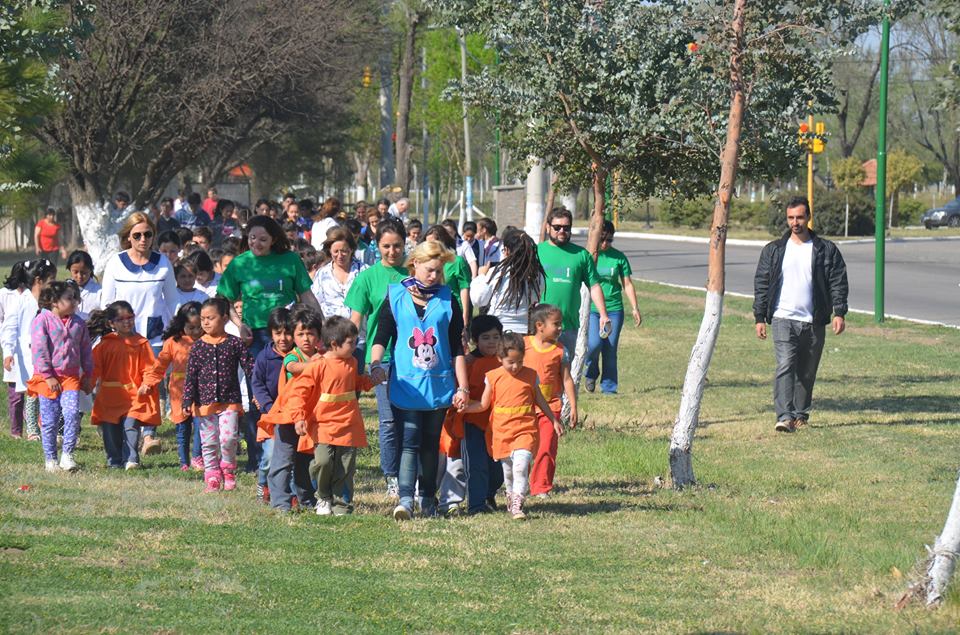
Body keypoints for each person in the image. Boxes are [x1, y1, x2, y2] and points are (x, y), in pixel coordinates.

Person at [368, 240, 470, 521]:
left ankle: (427, 498)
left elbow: (457, 347)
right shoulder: (395, 296)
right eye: (430, 270)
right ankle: (405, 500)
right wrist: (376, 364)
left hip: (438, 385)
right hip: (406, 384)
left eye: (439, 271)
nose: (435, 276)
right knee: (409, 440)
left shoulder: (448, 298)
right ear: (414, 265)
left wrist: (463, 387)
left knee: (430, 442)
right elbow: (381, 337)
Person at [753, 196, 848, 433]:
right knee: (785, 364)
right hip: (782, 318)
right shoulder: (774, 250)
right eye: (791, 217)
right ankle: (784, 416)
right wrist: (759, 317)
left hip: (813, 319)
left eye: (799, 217)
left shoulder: (825, 249)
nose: (795, 222)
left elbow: (838, 281)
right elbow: (762, 284)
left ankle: (800, 413)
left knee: (807, 369)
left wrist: (839, 312)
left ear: (808, 218)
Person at [100, 212, 178, 455]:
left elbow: (173, 302)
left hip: (154, 334)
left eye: (148, 234)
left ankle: (149, 434)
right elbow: (107, 302)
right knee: (127, 384)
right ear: (128, 237)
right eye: (137, 235)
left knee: (150, 384)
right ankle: (124, 429)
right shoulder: (115, 262)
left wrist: (174, 334)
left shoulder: (163, 263)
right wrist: (110, 330)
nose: (143, 239)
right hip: (124, 333)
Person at [463, 332, 563, 520]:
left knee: (521, 465)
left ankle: (518, 504)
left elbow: (540, 400)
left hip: (525, 429)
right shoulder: (492, 377)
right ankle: (510, 496)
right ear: (500, 359)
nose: (516, 366)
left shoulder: (531, 375)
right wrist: (465, 409)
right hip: (502, 432)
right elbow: (484, 405)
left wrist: (553, 420)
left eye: (519, 361)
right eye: (510, 362)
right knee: (508, 472)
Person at [344, 219, 409, 498]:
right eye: (386, 246)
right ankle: (391, 475)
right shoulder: (367, 278)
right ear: (377, 246)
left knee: (412, 419)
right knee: (388, 420)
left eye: (397, 246)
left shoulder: (415, 272)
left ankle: (411, 474)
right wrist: (343, 356)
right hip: (381, 357)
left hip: (414, 358)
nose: (392, 251)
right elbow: (355, 322)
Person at [289, 316, 379, 516]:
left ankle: (342, 504)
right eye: (351, 343)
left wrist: (371, 381)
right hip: (323, 424)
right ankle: (322, 496)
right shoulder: (318, 365)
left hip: (348, 423)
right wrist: (299, 416)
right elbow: (300, 391)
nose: (355, 346)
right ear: (334, 344)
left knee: (345, 465)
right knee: (322, 461)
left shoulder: (352, 362)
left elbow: (357, 383)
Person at [217, 215, 323, 357]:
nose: (256, 243)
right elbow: (225, 299)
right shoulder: (239, 263)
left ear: (274, 240)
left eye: (263, 239)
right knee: (257, 378)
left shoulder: (290, 259)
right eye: (252, 238)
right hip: (255, 334)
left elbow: (306, 295)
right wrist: (240, 325)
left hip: (288, 330)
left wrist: (322, 322)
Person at [182, 297, 255, 492]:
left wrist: (258, 389)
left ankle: (228, 470)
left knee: (228, 439)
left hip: (229, 401)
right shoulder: (198, 347)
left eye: (210, 318)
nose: (205, 322)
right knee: (209, 442)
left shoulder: (235, 343)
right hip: (204, 403)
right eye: (203, 318)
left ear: (224, 319)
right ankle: (212, 476)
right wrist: (188, 399)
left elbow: (250, 368)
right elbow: (191, 376)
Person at [260, 305, 323, 511]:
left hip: (309, 419)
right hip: (288, 417)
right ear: (295, 337)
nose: (305, 338)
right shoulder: (293, 356)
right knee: (282, 461)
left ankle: (306, 500)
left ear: (318, 336)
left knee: (305, 463)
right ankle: (280, 503)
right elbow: (293, 368)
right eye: (300, 334)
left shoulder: (322, 356)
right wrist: (316, 364)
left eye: (311, 334)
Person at [88, 301, 161, 469]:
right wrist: (88, 383)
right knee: (110, 430)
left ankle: (131, 459)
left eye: (130, 317)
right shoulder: (104, 345)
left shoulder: (142, 343)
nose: (127, 321)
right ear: (111, 323)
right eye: (121, 319)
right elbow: (94, 367)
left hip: (134, 395)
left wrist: (147, 383)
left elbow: (151, 368)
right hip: (109, 396)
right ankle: (114, 461)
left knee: (131, 426)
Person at [29, 281, 93, 472]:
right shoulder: (42, 320)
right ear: (54, 301)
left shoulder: (79, 323)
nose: (75, 302)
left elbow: (86, 350)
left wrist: (88, 374)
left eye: (75, 298)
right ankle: (50, 459)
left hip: (70, 377)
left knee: (72, 413)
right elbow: (39, 350)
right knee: (49, 419)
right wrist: (48, 376)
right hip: (47, 378)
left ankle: (67, 455)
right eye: (69, 298)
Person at [538, 207, 611, 359]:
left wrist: (603, 314)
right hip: (539, 325)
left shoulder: (581, 255)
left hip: (567, 326)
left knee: (564, 373)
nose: (561, 231)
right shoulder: (536, 251)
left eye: (566, 227)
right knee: (540, 373)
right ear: (548, 227)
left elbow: (594, 285)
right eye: (557, 227)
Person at [584, 221, 642, 395]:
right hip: (593, 309)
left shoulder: (619, 257)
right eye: (602, 239)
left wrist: (635, 307)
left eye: (609, 240)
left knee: (610, 348)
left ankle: (609, 388)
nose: (605, 244)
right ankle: (591, 371)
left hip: (614, 309)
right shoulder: (589, 256)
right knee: (594, 345)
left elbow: (627, 284)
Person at [2, 259, 57, 442]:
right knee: (30, 393)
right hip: (26, 355)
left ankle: (48, 427)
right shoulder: (22, 301)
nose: (54, 283)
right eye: (51, 280)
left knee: (47, 392)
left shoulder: (51, 302)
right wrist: (8, 351)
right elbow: (9, 327)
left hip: (48, 354)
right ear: (39, 280)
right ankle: (31, 430)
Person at [143, 302, 202, 471]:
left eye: (200, 327)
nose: (196, 332)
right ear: (182, 324)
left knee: (200, 426)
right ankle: (184, 462)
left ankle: (198, 458)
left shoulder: (207, 341)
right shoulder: (172, 342)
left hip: (202, 390)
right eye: (191, 327)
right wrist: (149, 383)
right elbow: (160, 365)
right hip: (179, 391)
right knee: (182, 427)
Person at [525, 303, 577, 497]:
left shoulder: (560, 351)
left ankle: (541, 486)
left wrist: (573, 406)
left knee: (546, 447)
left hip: (551, 408)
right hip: (525, 408)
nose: (560, 328)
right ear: (540, 325)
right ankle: (520, 484)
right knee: (525, 448)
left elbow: (566, 379)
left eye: (561, 323)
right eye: (556, 324)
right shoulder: (523, 345)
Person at [460, 315, 505, 514]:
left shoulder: (506, 362)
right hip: (474, 423)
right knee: (476, 465)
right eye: (486, 338)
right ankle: (476, 505)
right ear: (475, 340)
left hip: (501, 424)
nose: (492, 342)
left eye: (496, 337)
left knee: (498, 469)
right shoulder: (468, 363)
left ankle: (489, 495)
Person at [250, 307, 294, 504]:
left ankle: (290, 493)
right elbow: (257, 384)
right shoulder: (264, 357)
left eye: (287, 332)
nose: (283, 338)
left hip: (292, 415)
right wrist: (268, 407)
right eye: (278, 333)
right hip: (270, 415)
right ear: (271, 334)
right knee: (269, 455)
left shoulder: (299, 357)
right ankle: (263, 483)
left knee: (290, 457)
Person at [470, 228, 544, 334]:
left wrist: (481, 275)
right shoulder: (536, 274)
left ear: (507, 250)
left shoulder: (497, 272)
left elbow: (479, 300)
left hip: (499, 331)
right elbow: (535, 299)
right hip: (524, 332)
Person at [312, 228, 367, 361]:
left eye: (344, 251)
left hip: (357, 339)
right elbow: (315, 305)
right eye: (336, 251)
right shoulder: (322, 274)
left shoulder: (364, 272)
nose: (340, 255)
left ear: (351, 250)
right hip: (331, 340)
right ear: (329, 251)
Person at [423, 224, 472, 328]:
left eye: (432, 243)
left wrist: (465, 316)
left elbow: (464, 289)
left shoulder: (457, 261)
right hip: (432, 311)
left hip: (453, 310)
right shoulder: (423, 263)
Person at [0, 262, 27, 437]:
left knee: (33, 393)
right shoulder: (4, 294)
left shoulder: (33, 295)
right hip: (12, 347)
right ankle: (16, 431)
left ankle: (34, 429)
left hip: (30, 349)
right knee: (15, 394)